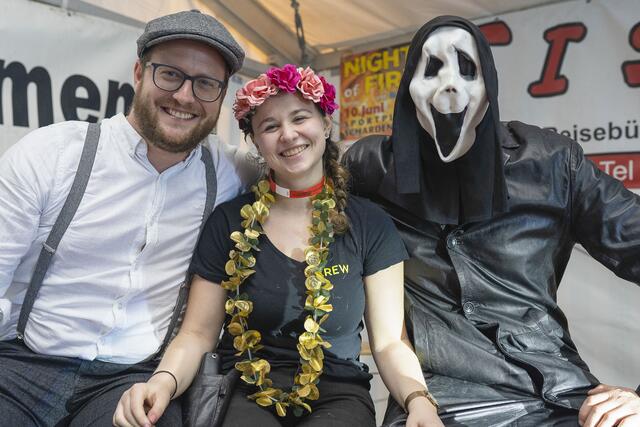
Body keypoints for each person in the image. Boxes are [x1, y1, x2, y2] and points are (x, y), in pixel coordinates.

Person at [344, 15, 640, 427]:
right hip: (436, 398)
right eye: (432, 69)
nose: (450, 84)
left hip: (556, 394)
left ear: (490, 87)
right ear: (409, 86)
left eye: (468, 69)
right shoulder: (370, 169)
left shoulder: (551, 164)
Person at [113, 64, 444, 427]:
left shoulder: (370, 224)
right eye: (270, 126)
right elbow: (197, 333)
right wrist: (162, 381)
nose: (287, 135)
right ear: (256, 142)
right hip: (242, 388)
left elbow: (389, 343)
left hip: (339, 393)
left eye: (300, 118)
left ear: (326, 124)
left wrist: (419, 400)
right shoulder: (229, 222)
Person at [0, 10, 246, 426]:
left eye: (206, 84)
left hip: (133, 379)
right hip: (25, 365)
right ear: (138, 72)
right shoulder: (54, 154)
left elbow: (296, 161)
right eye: (169, 74)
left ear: (221, 97)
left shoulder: (228, 173)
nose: (185, 97)